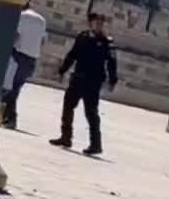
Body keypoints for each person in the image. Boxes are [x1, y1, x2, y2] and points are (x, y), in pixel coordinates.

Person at [50, 13, 118, 156]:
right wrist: (62, 70)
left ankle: (96, 144)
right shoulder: (83, 37)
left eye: (101, 23)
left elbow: (112, 63)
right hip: (78, 78)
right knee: (68, 106)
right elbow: (72, 54)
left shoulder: (107, 42)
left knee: (91, 113)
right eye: (96, 22)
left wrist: (113, 80)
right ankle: (66, 137)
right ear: (90, 23)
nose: (99, 25)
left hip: (93, 82)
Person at [0, 1, 48, 130]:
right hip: (31, 59)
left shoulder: (21, 17)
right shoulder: (41, 20)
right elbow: (43, 41)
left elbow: (15, 35)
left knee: (9, 88)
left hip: (18, 56)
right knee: (15, 88)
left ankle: (9, 118)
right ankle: (7, 118)